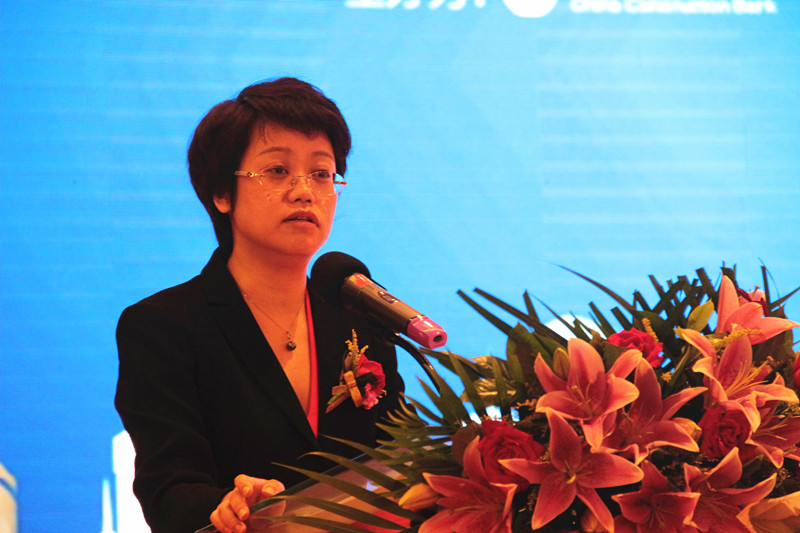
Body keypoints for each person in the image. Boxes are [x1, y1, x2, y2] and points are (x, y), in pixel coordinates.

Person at [115, 77, 404, 533]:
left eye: (321, 173)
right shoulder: (162, 327)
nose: (304, 191)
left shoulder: (358, 315)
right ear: (222, 193)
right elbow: (168, 490)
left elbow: (398, 466)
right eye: (277, 171)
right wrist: (225, 507)